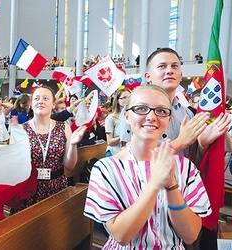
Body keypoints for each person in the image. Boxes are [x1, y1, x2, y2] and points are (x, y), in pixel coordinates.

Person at [84, 85, 211, 249]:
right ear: (127, 116)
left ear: (169, 120)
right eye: (141, 108)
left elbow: (190, 235)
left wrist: (171, 185)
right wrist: (154, 185)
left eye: (161, 111)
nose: (151, 116)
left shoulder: (185, 167)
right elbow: (121, 235)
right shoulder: (106, 168)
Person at [10, 86, 86, 213]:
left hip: (56, 187)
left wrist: (72, 145)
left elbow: (70, 165)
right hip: (29, 189)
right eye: (37, 98)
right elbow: (13, 167)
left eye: (45, 98)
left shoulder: (64, 127)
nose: (41, 101)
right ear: (31, 104)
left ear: (53, 104)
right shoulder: (20, 130)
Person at [104, 88, 131, 156]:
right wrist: (124, 136)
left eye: (129, 97)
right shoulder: (111, 118)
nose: (127, 99)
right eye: (124, 97)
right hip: (114, 152)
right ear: (118, 101)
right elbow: (109, 141)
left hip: (128, 152)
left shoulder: (133, 117)